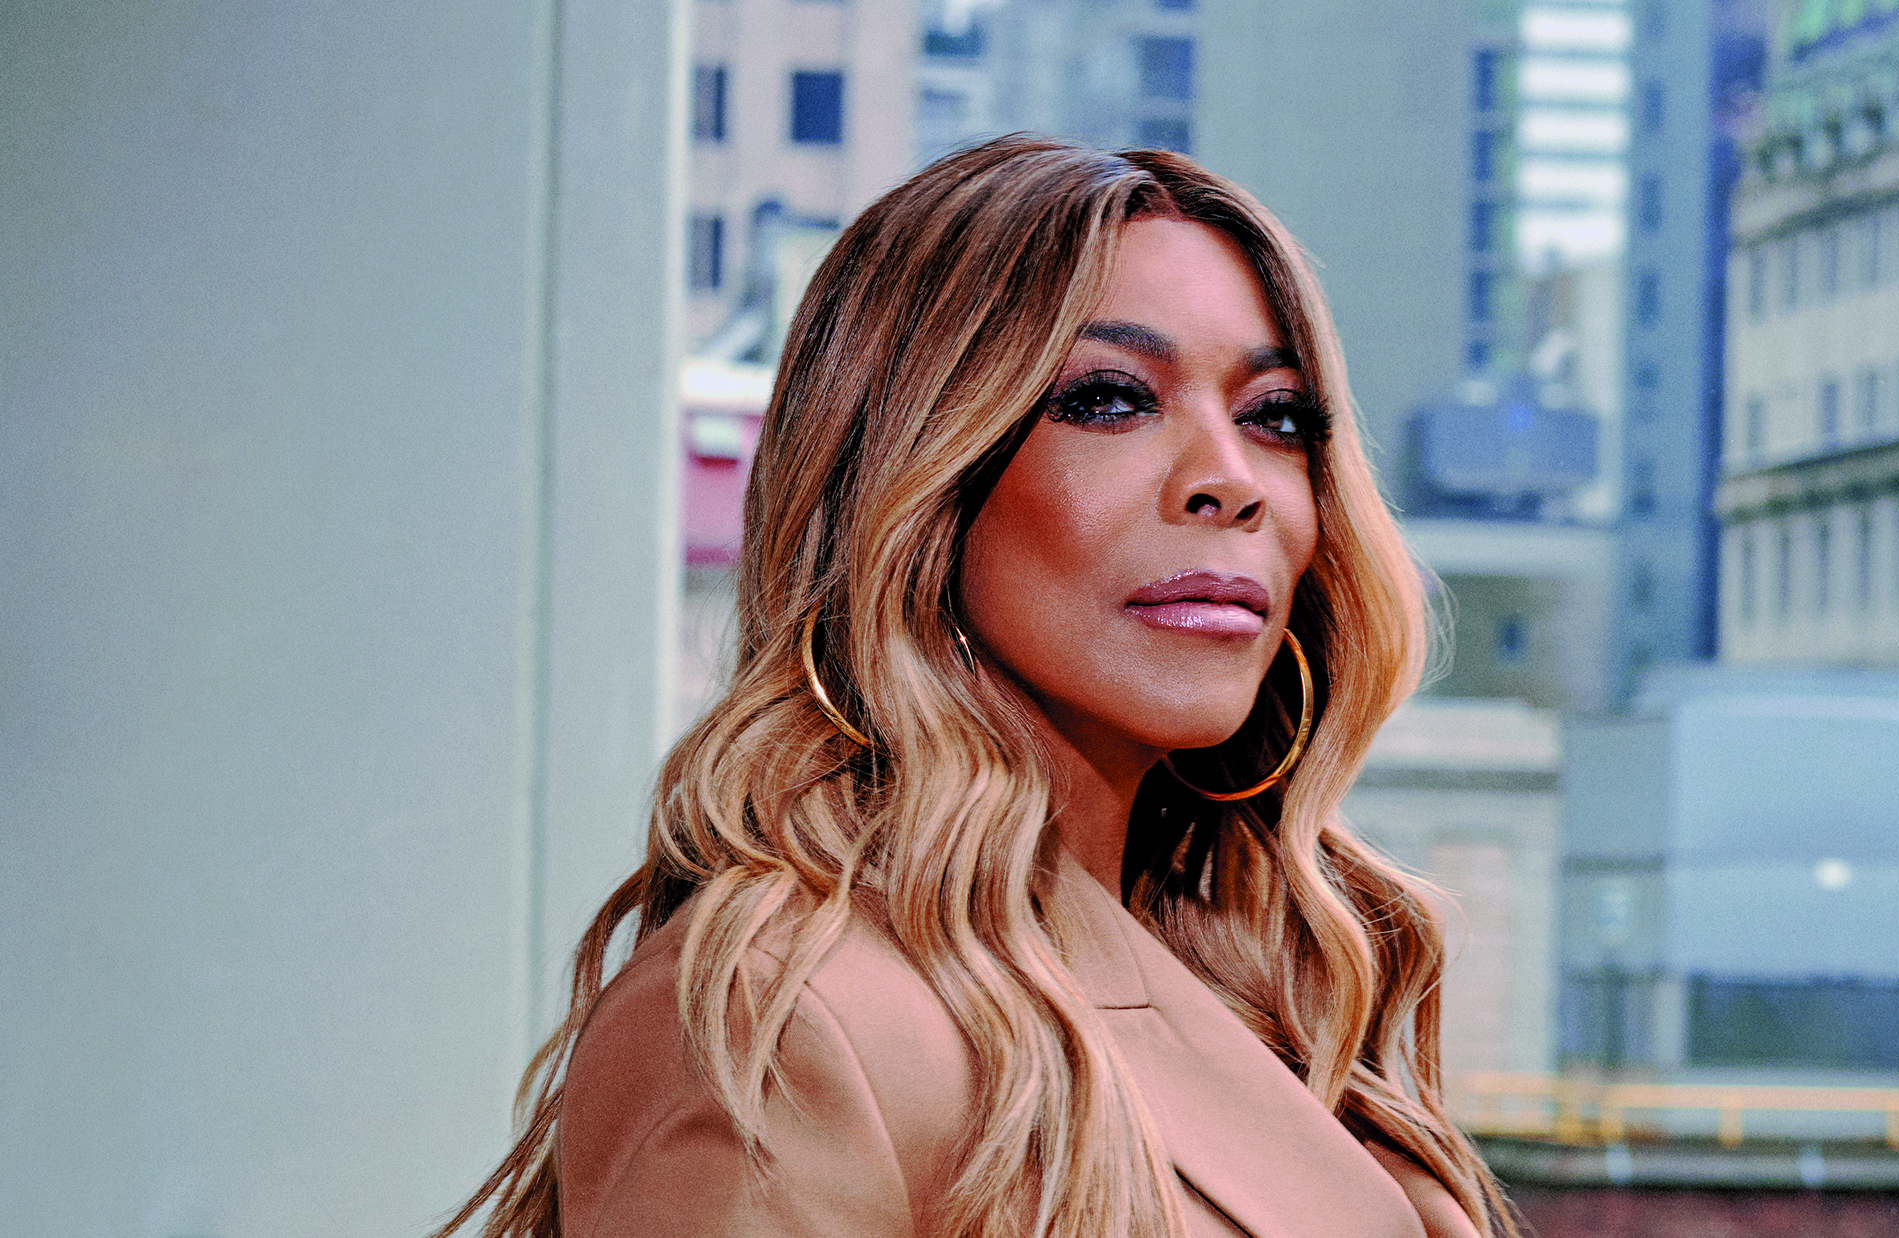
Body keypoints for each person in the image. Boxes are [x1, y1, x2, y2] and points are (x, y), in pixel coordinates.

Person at [440, 135, 1517, 1238]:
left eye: (1274, 416)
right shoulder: (788, 1021)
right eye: (1107, 399)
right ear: (916, 485)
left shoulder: (1292, 976)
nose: (1227, 481)